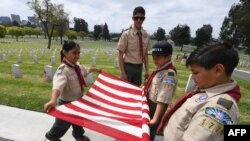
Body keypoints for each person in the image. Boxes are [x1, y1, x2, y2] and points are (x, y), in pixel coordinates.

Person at [157, 41, 241, 141]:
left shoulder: (218, 109)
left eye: (196, 72)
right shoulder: (207, 90)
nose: (192, 77)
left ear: (218, 70)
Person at [44, 40, 101, 141]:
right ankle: (52, 136)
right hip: (67, 103)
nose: (77, 55)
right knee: (61, 125)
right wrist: (53, 100)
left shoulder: (77, 66)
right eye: (74, 52)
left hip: (78, 101)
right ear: (65, 52)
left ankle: (78, 136)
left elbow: (85, 70)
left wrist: (95, 69)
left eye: (78, 52)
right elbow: (57, 86)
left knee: (78, 121)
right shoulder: (63, 70)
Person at [143, 41, 177, 141]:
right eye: (153, 56)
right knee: (145, 129)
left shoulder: (169, 74)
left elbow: (163, 98)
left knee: (150, 130)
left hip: (156, 107)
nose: (155, 59)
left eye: (159, 57)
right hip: (149, 103)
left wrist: (155, 119)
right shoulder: (160, 69)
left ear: (168, 57)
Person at [117, 6, 151, 86]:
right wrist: (123, 72)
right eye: (136, 18)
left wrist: (147, 71)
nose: (139, 20)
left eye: (141, 18)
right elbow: (120, 53)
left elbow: (145, 54)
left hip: (139, 68)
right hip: (127, 67)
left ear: (144, 19)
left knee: (136, 92)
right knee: (124, 91)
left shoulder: (146, 35)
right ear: (133, 18)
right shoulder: (126, 34)